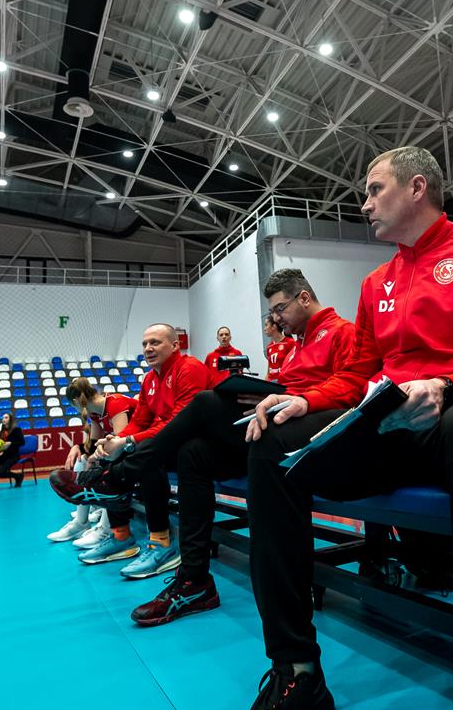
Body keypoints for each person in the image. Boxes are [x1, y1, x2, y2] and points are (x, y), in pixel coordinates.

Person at [238, 147, 453, 710]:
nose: (364, 204)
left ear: (417, 188)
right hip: (398, 431)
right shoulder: (375, 282)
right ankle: (296, 671)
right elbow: (357, 378)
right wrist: (306, 400)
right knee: (272, 443)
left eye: (374, 189)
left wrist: (449, 388)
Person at [124, 268, 356, 626]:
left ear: (304, 298)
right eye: (272, 313)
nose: (276, 319)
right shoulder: (296, 347)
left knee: (204, 402)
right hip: (272, 428)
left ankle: (122, 472)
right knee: (193, 453)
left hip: (306, 439)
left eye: (279, 310)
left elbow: (349, 392)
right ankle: (195, 581)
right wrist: (266, 394)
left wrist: (291, 397)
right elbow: (288, 388)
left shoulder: (343, 332)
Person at [51, 325, 211, 575]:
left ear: (175, 345)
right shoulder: (149, 379)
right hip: (162, 443)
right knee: (115, 453)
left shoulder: (189, 368)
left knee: (144, 455)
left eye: (155, 342)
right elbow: (140, 421)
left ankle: (161, 542)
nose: (148, 348)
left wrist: (127, 441)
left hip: (193, 446)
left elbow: (180, 422)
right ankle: (120, 535)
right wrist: (114, 441)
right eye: (145, 344)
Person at [46, 380, 135, 544]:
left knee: (108, 466)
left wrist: (96, 458)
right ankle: (81, 522)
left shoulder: (115, 404)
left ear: (75, 402)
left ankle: (106, 528)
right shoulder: (96, 413)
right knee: (82, 460)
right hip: (125, 452)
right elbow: (93, 445)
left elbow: (119, 447)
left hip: (140, 450)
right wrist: (78, 448)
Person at [263, 315, 297, 382]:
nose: (264, 329)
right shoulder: (269, 347)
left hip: (284, 381)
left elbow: (294, 365)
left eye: (266, 325)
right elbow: (269, 370)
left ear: (274, 327)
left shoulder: (290, 343)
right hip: (271, 382)